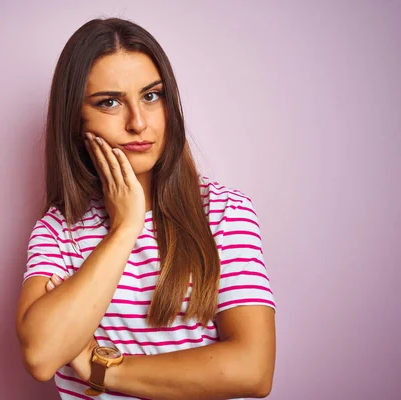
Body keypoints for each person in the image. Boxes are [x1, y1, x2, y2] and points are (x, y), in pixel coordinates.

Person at [15, 17, 276, 400]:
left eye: (151, 96)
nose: (139, 123)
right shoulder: (58, 231)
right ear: (76, 120)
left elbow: (252, 371)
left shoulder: (225, 212)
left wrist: (99, 368)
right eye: (109, 102)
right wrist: (125, 228)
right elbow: (40, 356)